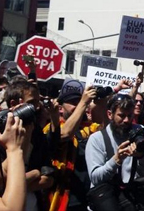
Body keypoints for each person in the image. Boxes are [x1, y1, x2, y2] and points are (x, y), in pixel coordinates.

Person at [0, 80, 56, 210]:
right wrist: (34, 173)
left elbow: (48, 178)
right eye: (32, 103)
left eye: (38, 102)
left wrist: (17, 183)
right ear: (14, 103)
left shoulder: (36, 131)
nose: (37, 107)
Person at [85, 93, 144, 210]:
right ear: (110, 114)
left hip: (134, 200)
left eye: (130, 116)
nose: (126, 120)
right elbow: (95, 178)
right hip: (108, 201)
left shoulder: (140, 132)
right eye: (121, 115)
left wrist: (142, 156)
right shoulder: (97, 139)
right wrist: (116, 160)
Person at [44, 83, 100, 211]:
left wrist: (102, 101)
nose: (77, 105)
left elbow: (106, 127)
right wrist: (83, 102)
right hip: (66, 196)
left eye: (78, 101)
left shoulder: (89, 128)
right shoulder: (51, 128)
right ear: (60, 108)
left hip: (88, 196)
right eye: (72, 102)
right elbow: (65, 134)